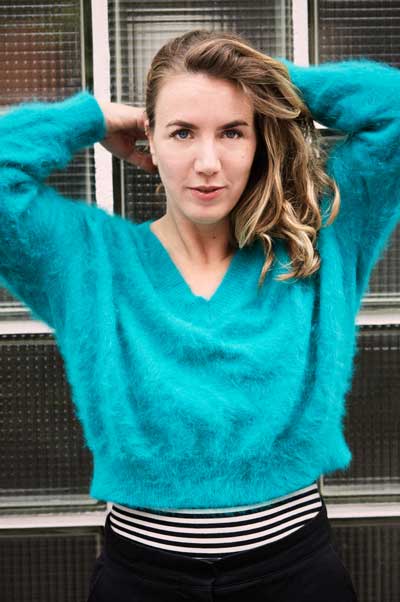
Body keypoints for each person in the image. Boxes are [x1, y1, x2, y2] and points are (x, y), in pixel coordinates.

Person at [1, 28, 399, 601]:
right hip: (141, 581)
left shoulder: (322, 238)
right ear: (150, 139)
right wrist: (95, 117)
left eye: (232, 131)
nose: (207, 163)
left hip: (296, 575)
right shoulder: (89, 260)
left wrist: (267, 82)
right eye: (183, 132)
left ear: (260, 140)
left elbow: (393, 111)